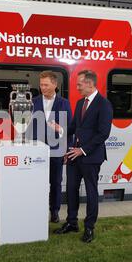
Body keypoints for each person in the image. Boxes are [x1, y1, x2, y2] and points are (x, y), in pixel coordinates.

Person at [54, 70, 113, 243]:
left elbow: (103, 133)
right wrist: (61, 129)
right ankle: (72, 223)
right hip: (75, 155)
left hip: (91, 157)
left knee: (91, 192)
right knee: (71, 190)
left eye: (79, 84)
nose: (77, 87)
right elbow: (75, 127)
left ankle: (89, 228)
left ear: (89, 83)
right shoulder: (80, 103)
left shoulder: (104, 104)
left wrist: (83, 150)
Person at [29, 71, 72, 223]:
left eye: (46, 85)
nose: (43, 88)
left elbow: (69, 129)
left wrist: (68, 149)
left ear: (55, 84)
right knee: (36, 182)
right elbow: (26, 126)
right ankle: (35, 209)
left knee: (55, 183)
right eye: (41, 85)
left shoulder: (64, 103)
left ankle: (54, 211)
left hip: (57, 150)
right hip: (36, 150)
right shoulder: (32, 102)